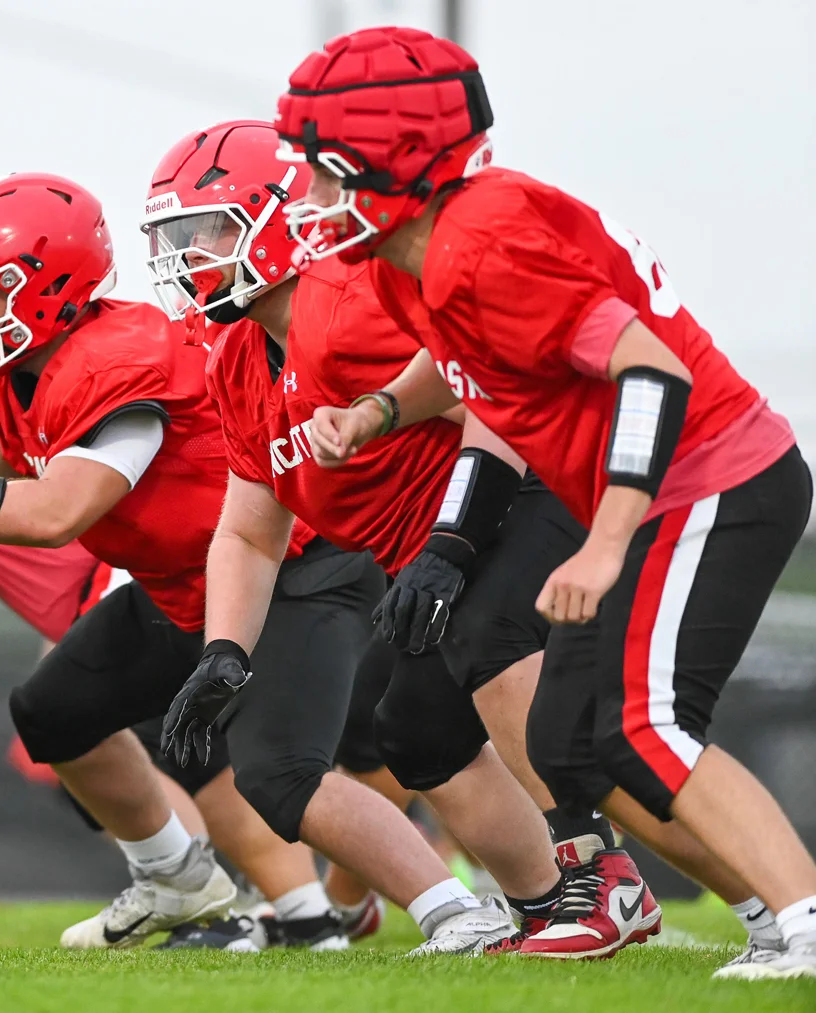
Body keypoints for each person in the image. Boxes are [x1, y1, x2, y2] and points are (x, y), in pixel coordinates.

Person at [0, 172, 523, 953]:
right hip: (187, 585)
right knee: (53, 710)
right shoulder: (20, 377)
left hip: (295, 572)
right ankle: (173, 877)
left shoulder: (117, 357)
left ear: (46, 286)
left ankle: (457, 911)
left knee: (283, 770)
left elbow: (57, 511)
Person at [275, 24, 814, 980]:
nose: (308, 197)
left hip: (710, 479)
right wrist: (381, 411)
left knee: (650, 724)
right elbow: (465, 359)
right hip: (663, 490)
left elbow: (652, 373)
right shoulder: (416, 254)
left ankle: (806, 913)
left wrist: (605, 543)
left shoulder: (484, 242)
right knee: (573, 740)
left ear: (392, 161)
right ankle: (766, 915)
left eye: (323, 172)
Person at [148, 119, 662, 959]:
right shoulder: (239, 358)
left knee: (489, 642)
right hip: (430, 544)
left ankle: (616, 876)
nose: (188, 256)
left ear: (278, 221)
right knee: (418, 728)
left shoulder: (348, 303)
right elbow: (247, 528)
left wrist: (453, 543)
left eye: (205, 231)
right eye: (178, 239)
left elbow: (494, 402)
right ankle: (548, 903)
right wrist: (224, 650)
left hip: (529, 484)